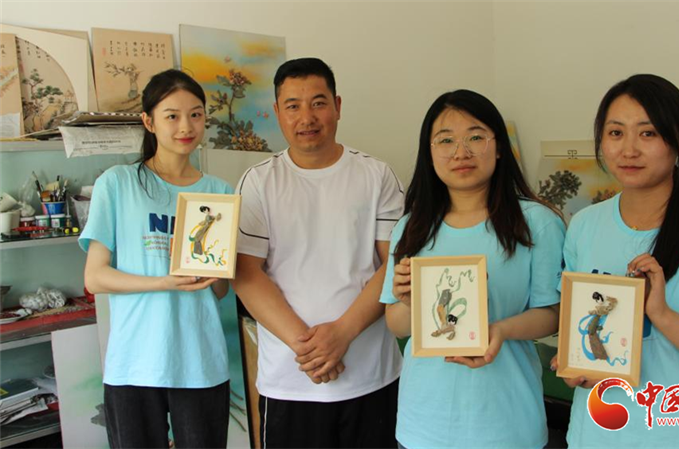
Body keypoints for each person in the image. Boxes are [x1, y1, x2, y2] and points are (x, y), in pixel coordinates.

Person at [556, 74, 679, 448]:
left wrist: (661, 314)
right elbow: (578, 327)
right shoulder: (584, 225)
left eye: (647, 133)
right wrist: (573, 365)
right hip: (594, 435)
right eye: (616, 133)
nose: (628, 149)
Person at [233, 57, 404, 449]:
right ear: (277, 112)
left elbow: (393, 264)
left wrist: (342, 334)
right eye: (293, 106)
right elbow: (247, 274)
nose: (306, 117)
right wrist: (309, 348)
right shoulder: (258, 182)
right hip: (289, 381)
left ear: (338, 106)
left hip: (372, 377)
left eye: (318, 103)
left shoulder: (377, 175)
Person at [382, 89, 565, 449]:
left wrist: (499, 330)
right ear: (429, 152)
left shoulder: (537, 223)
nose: (460, 152)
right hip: (423, 425)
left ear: (499, 147)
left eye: (476, 137)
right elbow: (397, 325)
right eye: (445, 140)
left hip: (508, 424)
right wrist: (407, 301)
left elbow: (553, 315)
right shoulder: (411, 227)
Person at [81, 69, 232, 449]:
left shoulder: (219, 192)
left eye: (195, 115)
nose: (186, 126)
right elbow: (95, 277)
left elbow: (220, 291)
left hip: (200, 361)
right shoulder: (118, 182)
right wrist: (164, 282)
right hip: (134, 362)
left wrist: (213, 272)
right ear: (149, 122)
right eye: (172, 116)